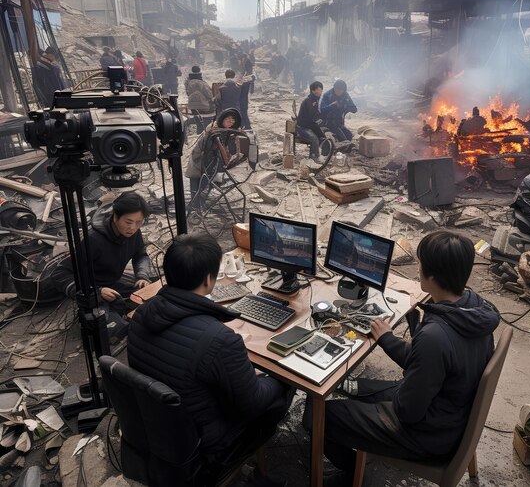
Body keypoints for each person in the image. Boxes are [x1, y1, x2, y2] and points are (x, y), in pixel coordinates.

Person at [319, 231, 500, 486]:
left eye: (419, 263)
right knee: (353, 388)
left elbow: (408, 411)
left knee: (318, 412)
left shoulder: (436, 337)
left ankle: (351, 473)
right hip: (448, 410)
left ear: (431, 276)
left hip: (427, 434)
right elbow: (431, 364)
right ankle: (360, 406)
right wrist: (387, 339)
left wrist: (385, 400)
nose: (418, 269)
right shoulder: (475, 308)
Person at [127, 233, 294, 479]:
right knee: (284, 389)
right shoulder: (220, 340)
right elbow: (254, 403)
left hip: (157, 432)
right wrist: (280, 376)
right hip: (209, 448)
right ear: (208, 279)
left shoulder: (141, 313)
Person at [50, 192, 152, 313]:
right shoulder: (93, 239)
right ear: (115, 216)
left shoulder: (133, 232)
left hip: (114, 280)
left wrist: (142, 276)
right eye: (128, 222)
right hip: (92, 288)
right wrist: (97, 292)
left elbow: (140, 255)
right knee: (109, 326)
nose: (133, 228)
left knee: (154, 292)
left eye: (139, 222)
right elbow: (59, 274)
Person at [186, 108, 242, 200]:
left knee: (204, 186)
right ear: (222, 119)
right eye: (228, 118)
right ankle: (195, 205)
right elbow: (211, 150)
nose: (231, 121)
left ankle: (199, 203)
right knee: (197, 186)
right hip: (200, 160)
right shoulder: (213, 131)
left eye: (233, 120)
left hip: (211, 163)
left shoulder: (226, 132)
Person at [297, 81, 325, 162]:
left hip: (309, 125)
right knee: (314, 138)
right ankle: (314, 157)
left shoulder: (315, 100)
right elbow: (311, 117)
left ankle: (318, 154)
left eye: (321, 90)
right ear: (313, 91)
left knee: (322, 136)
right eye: (319, 90)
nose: (320, 92)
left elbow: (317, 115)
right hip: (302, 127)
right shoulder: (309, 101)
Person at [239, 53, 255, 129]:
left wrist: (243, 77)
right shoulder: (246, 62)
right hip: (244, 101)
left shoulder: (248, 63)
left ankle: (247, 126)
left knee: (244, 112)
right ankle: (244, 125)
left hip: (243, 102)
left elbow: (249, 73)